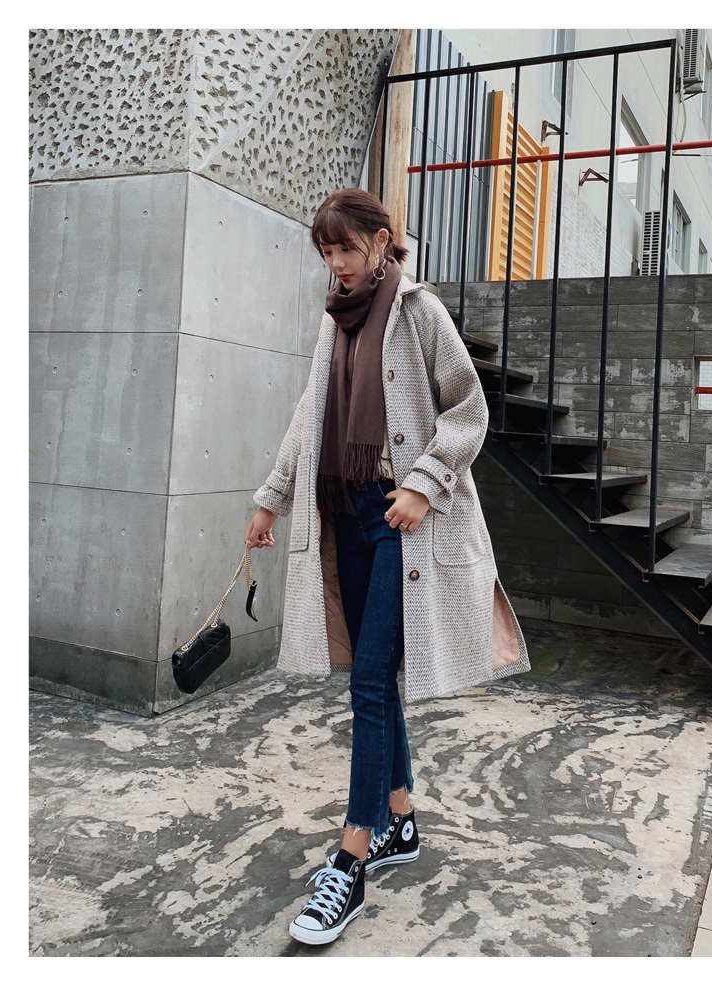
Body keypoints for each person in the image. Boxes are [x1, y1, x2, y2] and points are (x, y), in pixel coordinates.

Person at [245, 188, 530, 946]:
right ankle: (399, 819)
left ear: (380, 240)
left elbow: (468, 410)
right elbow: (309, 414)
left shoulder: (419, 312)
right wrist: (271, 499)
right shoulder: (333, 320)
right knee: (372, 680)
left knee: (370, 682)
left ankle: (352, 858)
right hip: (347, 514)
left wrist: (424, 484)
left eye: (346, 247)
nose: (336, 263)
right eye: (326, 252)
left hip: (402, 519)